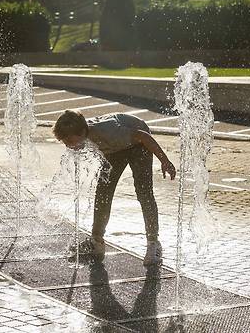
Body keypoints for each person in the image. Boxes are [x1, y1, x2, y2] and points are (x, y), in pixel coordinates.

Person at [52, 110, 176, 266]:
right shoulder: (82, 134)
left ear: (82, 132)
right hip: (116, 149)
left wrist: (165, 161)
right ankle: (96, 241)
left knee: (144, 192)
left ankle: (154, 244)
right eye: (65, 142)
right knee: (103, 192)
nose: (68, 145)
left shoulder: (108, 131)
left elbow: (144, 136)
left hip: (139, 144)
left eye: (69, 140)